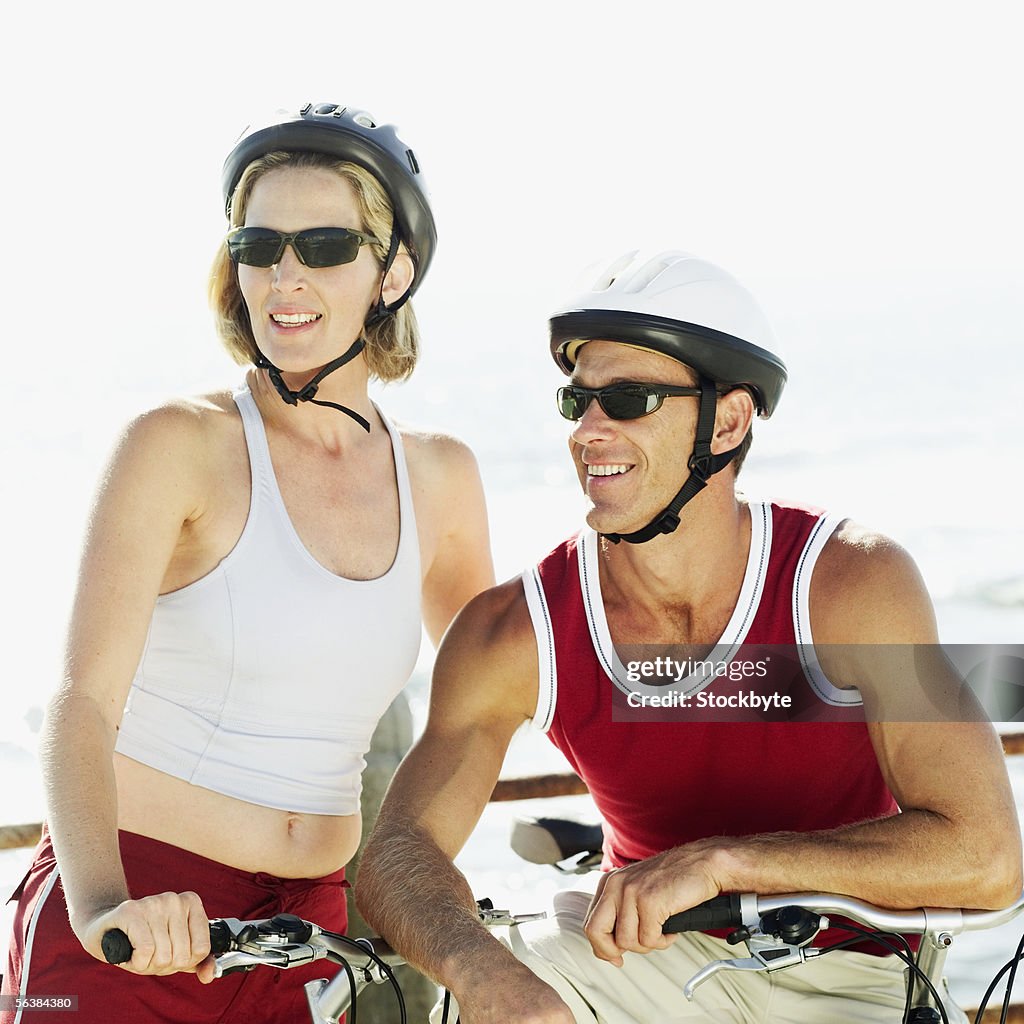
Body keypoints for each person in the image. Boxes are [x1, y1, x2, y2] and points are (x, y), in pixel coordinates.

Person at [356, 250, 1022, 1023]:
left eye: (628, 400)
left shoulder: (849, 585)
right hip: (645, 960)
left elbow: (986, 855)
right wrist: (481, 973)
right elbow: (399, 852)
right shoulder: (515, 633)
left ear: (729, 420)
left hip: (852, 966)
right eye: (579, 404)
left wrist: (724, 864)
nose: (587, 433)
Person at [1, 102, 493, 1023]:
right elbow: (81, 704)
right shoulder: (176, 444)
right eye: (259, 244)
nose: (284, 274)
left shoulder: (442, 477)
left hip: (307, 932)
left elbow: (491, 703)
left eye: (322, 245)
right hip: (140, 911)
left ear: (392, 273)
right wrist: (102, 902)